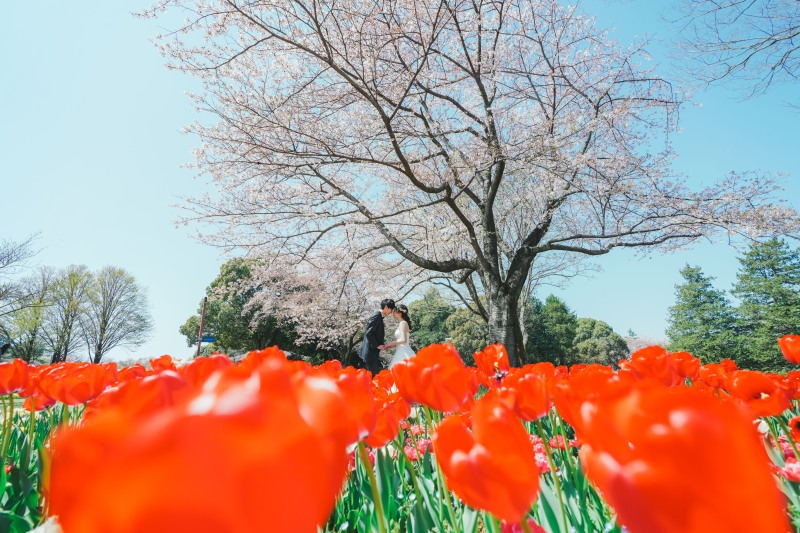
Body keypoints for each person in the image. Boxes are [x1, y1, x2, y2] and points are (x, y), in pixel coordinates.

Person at [358, 299, 394, 375]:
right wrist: (377, 345)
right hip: (370, 352)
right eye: (391, 309)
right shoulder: (377, 315)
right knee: (373, 377)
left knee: (373, 377)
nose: (391, 312)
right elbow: (369, 333)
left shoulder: (379, 316)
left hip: (372, 352)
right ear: (386, 307)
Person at [379, 303, 416, 369]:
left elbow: (404, 340)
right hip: (400, 350)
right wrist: (391, 345)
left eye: (395, 311)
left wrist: (392, 343)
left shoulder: (403, 323)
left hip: (403, 351)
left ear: (400, 313)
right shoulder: (402, 323)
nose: (393, 313)